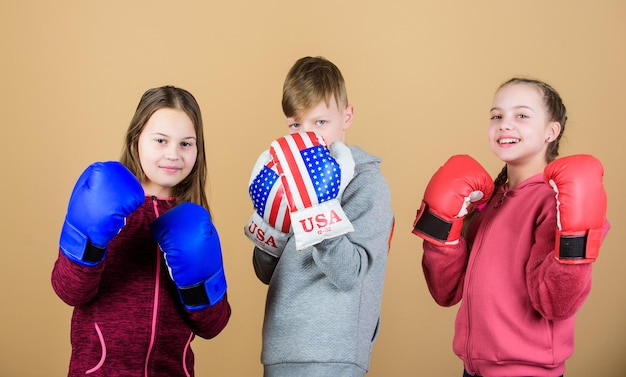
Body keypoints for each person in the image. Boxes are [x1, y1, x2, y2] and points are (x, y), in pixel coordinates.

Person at [411, 77, 610, 377]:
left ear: (551, 132)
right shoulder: (486, 200)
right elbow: (446, 291)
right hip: (472, 369)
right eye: (496, 116)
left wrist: (574, 242)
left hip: (528, 371)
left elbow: (556, 304)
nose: (505, 124)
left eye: (521, 115)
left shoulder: (554, 203)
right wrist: (441, 235)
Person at [51, 85, 231, 377]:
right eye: (161, 140)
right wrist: (88, 243)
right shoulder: (106, 203)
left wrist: (198, 284)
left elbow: (213, 325)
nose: (173, 154)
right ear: (137, 140)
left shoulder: (193, 222)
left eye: (186, 144)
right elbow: (69, 291)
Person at [243, 56, 395, 377]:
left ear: (347, 116)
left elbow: (349, 274)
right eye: (296, 125)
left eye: (320, 123)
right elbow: (265, 271)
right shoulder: (287, 178)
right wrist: (272, 221)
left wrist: (317, 207)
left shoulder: (367, 183)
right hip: (281, 347)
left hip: (333, 352)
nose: (307, 137)